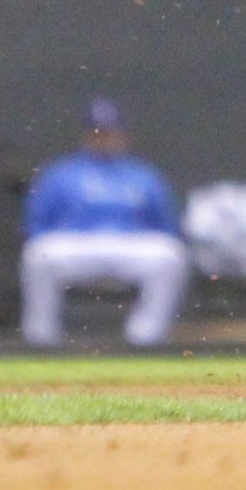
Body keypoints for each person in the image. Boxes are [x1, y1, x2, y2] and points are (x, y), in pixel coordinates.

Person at [20, 97, 189, 348]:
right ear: (86, 135)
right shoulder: (62, 174)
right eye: (97, 132)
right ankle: (41, 340)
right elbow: (36, 224)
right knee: (37, 255)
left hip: (128, 245)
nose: (104, 138)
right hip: (77, 246)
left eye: (110, 132)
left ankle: (144, 339)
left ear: (123, 135)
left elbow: (165, 226)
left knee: (171, 255)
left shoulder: (143, 176)